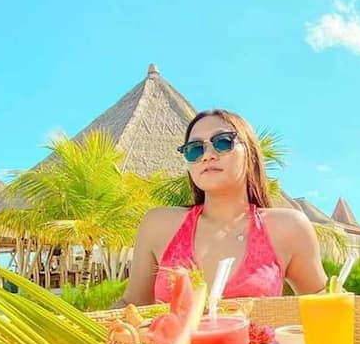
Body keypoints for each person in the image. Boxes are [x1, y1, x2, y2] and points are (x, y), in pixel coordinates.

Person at [118, 109, 327, 306]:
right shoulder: (159, 225)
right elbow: (130, 305)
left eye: (223, 142)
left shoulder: (288, 228)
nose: (207, 155)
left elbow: (325, 304)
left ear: (250, 153)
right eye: (195, 149)